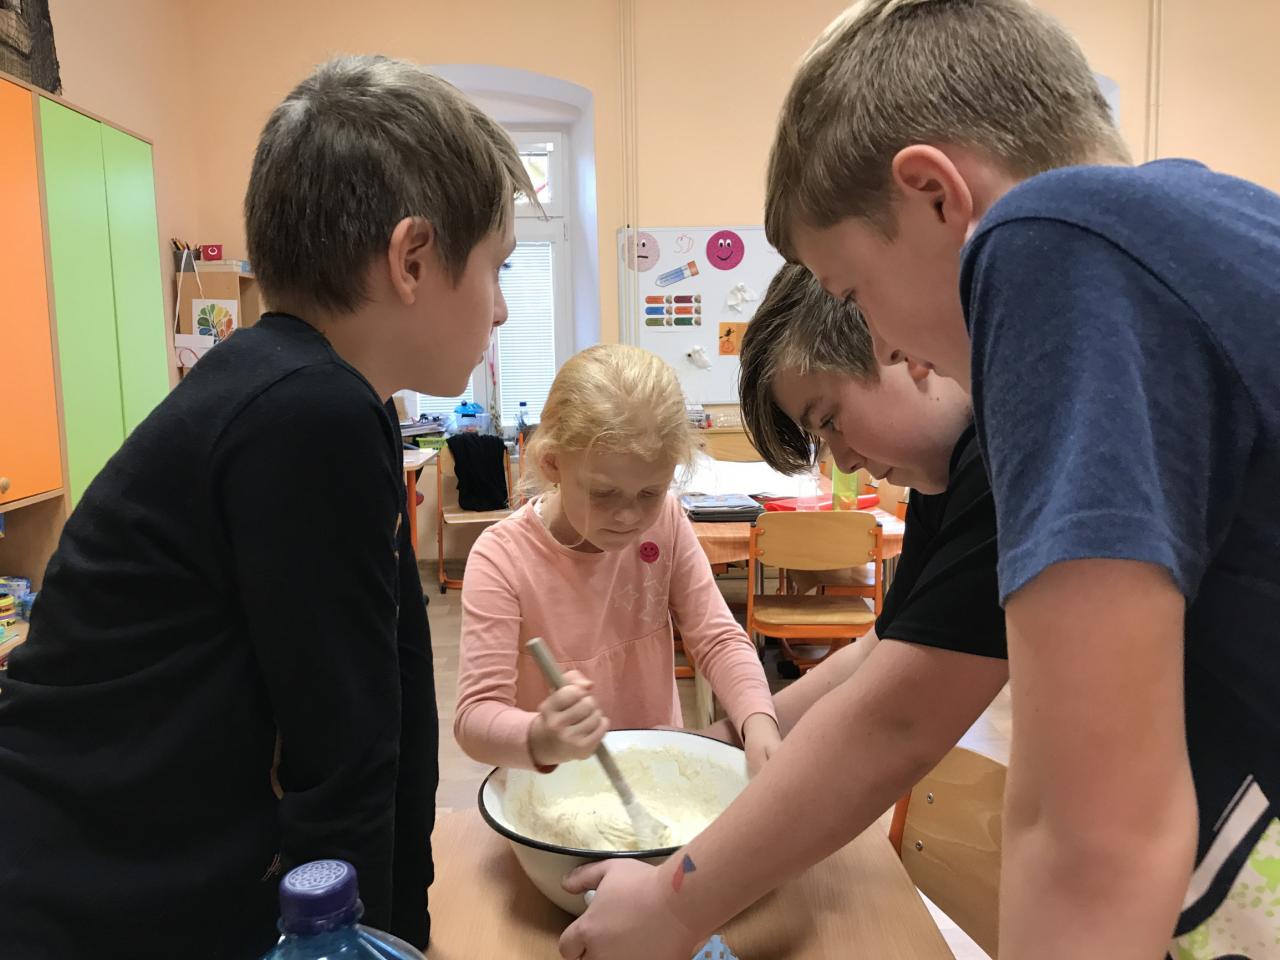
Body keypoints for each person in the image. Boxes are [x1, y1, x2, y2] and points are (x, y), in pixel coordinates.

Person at [763, 1, 1280, 956]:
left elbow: (1095, 838)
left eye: (855, 294)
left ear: (936, 195)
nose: (883, 343)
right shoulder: (1215, 215)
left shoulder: (1049, 242)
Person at [0, 55, 536, 959]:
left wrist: (400, 931)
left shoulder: (313, 394)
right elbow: (345, 756)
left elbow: (385, 699)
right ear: (412, 259)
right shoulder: (307, 413)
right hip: (93, 900)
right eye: (497, 268)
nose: (504, 311)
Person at [557, 262, 1010, 959]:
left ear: (900, 347)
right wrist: (729, 737)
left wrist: (670, 907)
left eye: (828, 419)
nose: (844, 462)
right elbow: (879, 654)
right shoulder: (944, 477)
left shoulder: (1006, 457)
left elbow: (895, 724)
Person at [455, 344, 780, 777]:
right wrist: (540, 737)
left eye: (649, 492)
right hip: (550, 788)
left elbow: (717, 639)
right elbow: (475, 717)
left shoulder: (666, 521)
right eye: (604, 493)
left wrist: (758, 721)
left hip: (655, 773)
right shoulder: (501, 558)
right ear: (552, 464)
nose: (629, 517)